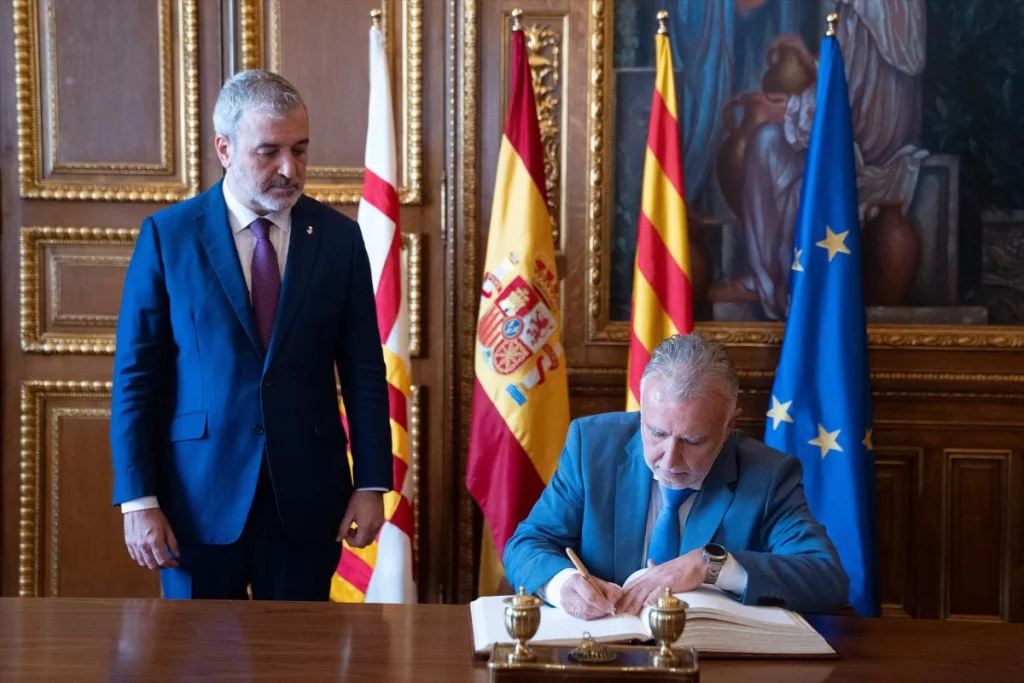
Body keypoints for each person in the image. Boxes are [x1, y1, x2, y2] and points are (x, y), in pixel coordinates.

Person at [110, 70, 392, 601]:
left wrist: (371, 483)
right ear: (224, 148)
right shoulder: (168, 237)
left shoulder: (338, 238)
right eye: (269, 152)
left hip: (308, 500)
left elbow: (363, 372)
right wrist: (138, 499)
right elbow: (136, 379)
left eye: (300, 150)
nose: (290, 169)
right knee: (198, 664)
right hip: (195, 499)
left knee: (298, 663)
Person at [503, 333, 849, 619]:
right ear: (642, 410)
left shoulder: (768, 475)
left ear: (729, 426)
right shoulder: (591, 447)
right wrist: (562, 583)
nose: (669, 459)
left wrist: (711, 565)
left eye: (692, 440)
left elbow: (826, 579)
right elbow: (526, 544)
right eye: (655, 433)